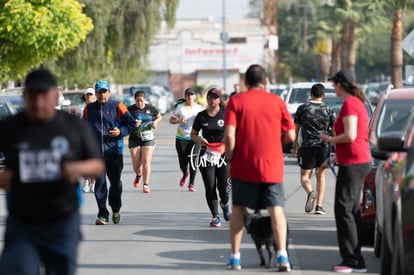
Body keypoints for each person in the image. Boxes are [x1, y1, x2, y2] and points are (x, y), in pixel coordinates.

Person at [0, 68, 105, 275]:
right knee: (17, 269)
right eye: (33, 95)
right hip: (23, 221)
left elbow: (97, 165)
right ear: (25, 96)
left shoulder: (73, 127)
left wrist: (76, 168)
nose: (39, 102)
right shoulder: (10, 127)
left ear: (55, 95)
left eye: (44, 95)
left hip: (62, 219)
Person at [224, 64, 295, 271]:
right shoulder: (278, 102)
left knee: (238, 209)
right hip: (272, 165)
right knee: (276, 210)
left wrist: (230, 158)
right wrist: (274, 143)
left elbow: (229, 135)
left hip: (243, 164)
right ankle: (283, 256)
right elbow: (291, 136)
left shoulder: (236, 101)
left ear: (245, 82)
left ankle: (235, 257)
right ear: (266, 82)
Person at [320, 69, 371, 273]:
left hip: (354, 163)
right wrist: (335, 157)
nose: (333, 88)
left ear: (340, 85)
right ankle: (354, 257)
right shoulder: (355, 103)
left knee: (344, 211)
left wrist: (329, 139)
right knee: (351, 211)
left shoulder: (351, 104)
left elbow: (350, 135)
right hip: (353, 160)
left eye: (334, 85)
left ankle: (353, 260)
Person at [83, 80, 136, 225]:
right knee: (100, 184)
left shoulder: (118, 105)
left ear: (109, 92)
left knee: (115, 184)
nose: (102, 94)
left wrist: (121, 131)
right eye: (99, 92)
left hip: (114, 151)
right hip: (96, 154)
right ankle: (102, 214)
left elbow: (131, 123)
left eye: (104, 91)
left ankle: (116, 209)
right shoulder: (89, 109)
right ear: (96, 93)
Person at [190, 86, 231, 227]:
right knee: (210, 186)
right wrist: (199, 140)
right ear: (207, 99)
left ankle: (225, 204)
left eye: (216, 97)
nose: (213, 99)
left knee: (224, 187)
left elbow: (234, 133)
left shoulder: (226, 114)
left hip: (223, 154)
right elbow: (193, 134)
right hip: (206, 154)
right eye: (211, 97)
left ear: (220, 99)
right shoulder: (201, 116)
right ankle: (215, 216)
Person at [293, 83, 336, 215]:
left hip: (307, 146)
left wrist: (295, 145)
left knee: (305, 176)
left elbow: (296, 129)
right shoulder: (329, 110)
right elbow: (334, 130)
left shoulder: (302, 109)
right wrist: (335, 145)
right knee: (320, 175)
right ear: (323, 95)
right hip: (323, 146)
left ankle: (310, 192)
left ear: (310, 94)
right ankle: (319, 206)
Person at [127, 90, 162, 193]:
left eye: (141, 101)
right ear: (135, 100)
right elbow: (124, 121)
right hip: (134, 138)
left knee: (146, 161)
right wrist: (133, 124)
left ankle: (146, 184)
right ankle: (139, 174)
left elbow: (159, 116)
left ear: (144, 100)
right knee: (136, 165)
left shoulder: (150, 108)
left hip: (148, 138)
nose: (139, 103)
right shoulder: (130, 110)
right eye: (137, 101)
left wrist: (155, 123)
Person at [169, 88, 203, 191]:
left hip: (195, 137)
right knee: (183, 162)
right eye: (188, 95)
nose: (190, 97)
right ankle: (185, 173)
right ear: (185, 96)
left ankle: (192, 183)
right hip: (181, 138)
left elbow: (205, 121)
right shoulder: (180, 107)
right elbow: (171, 120)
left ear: (195, 96)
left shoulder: (199, 108)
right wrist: (179, 120)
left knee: (193, 160)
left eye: (192, 94)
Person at [79, 87, 98, 193]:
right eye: (88, 95)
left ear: (95, 96)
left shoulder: (98, 107)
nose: (89, 96)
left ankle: (93, 183)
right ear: (85, 96)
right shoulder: (80, 108)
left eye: (91, 94)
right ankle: (86, 181)